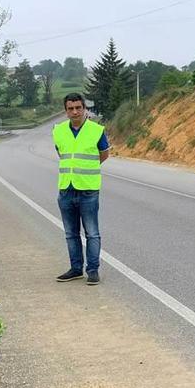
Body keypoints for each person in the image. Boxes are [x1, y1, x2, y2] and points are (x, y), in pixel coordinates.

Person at [52, 93, 110, 285]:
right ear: (66, 110)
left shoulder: (96, 130)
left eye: (78, 107)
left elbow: (104, 154)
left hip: (88, 190)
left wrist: (88, 170)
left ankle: (92, 270)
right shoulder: (58, 130)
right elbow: (61, 153)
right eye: (71, 108)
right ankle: (76, 269)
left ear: (84, 108)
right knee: (70, 233)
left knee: (92, 232)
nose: (75, 111)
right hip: (66, 189)